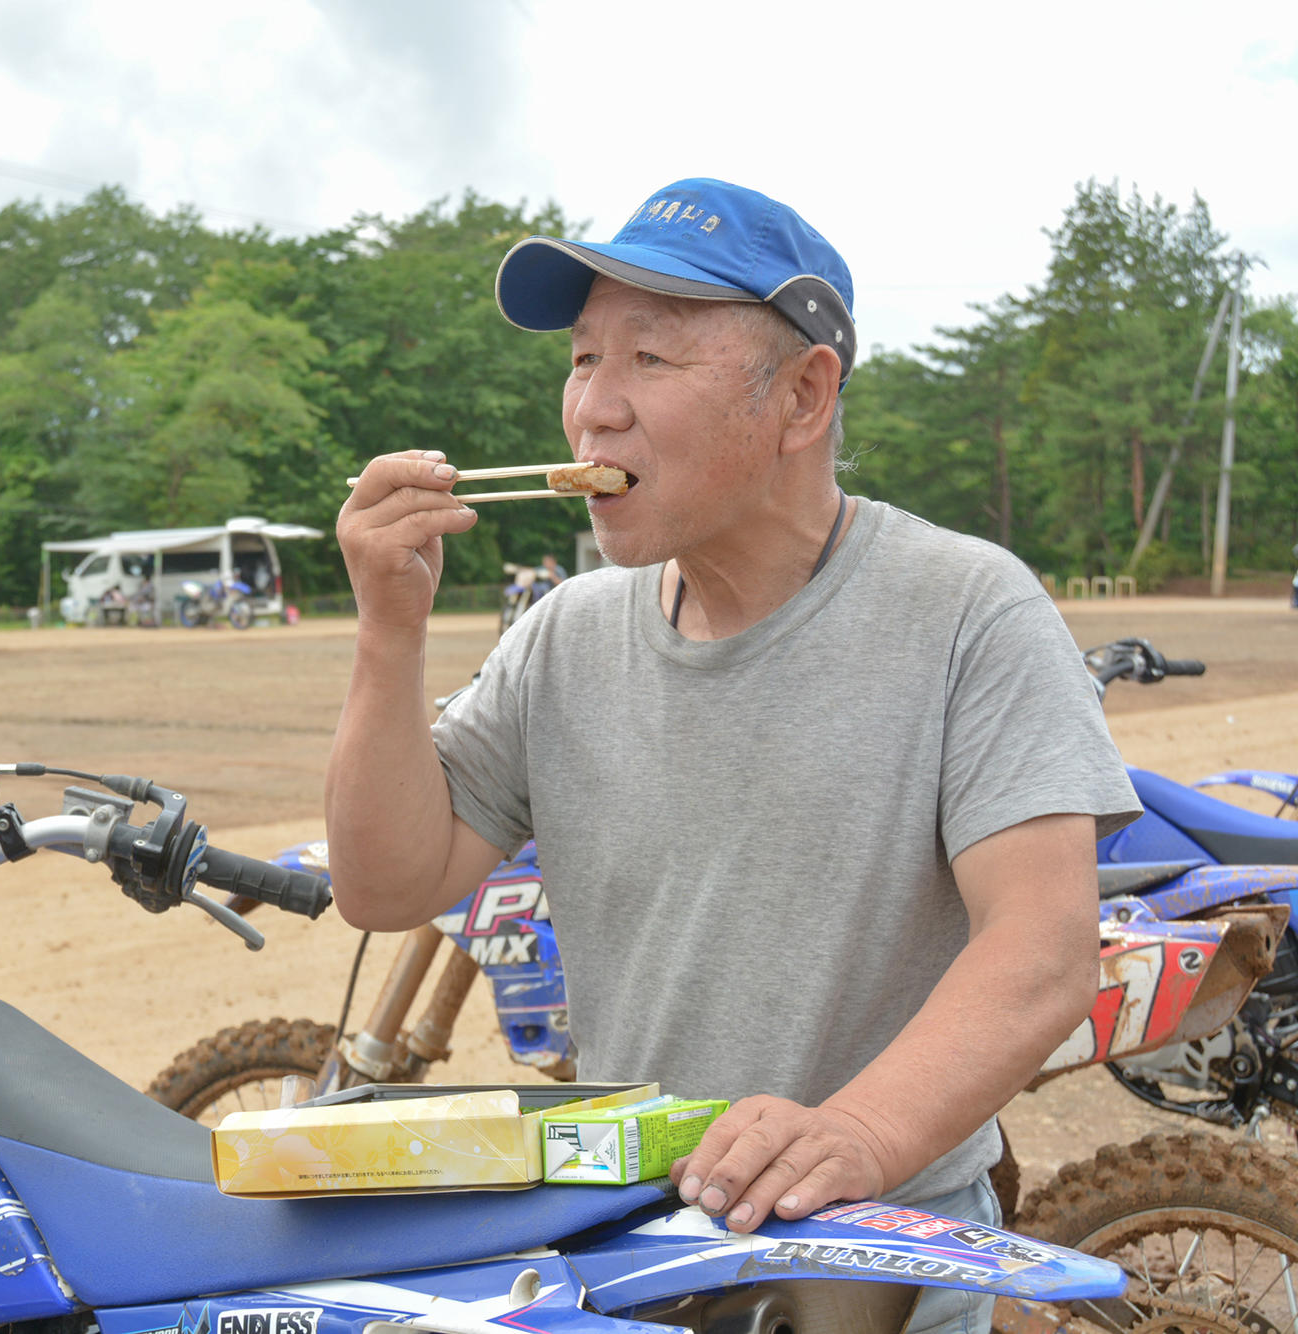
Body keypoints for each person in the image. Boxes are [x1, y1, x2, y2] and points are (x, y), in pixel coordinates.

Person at [328, 178, 1139, 1333]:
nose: (591, 410)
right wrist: (386, 632)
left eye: (648, 360)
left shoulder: (964, 609)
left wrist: (853, 1132)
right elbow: (385, 881)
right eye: (581, 358)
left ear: (802, 395)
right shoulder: (566, 631)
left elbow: (1041, 949)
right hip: (626, 1252)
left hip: (865, 1254)